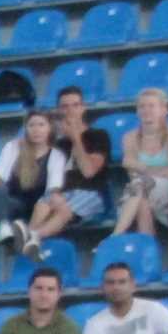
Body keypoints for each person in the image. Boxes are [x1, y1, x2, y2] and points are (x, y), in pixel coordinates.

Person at [0, 111, 65, 257]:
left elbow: (53, 189)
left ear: (50, 128)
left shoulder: (56, 156)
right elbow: (0, 175)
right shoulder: (13, 147)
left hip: (35, 208)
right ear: (26, 128)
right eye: (31, 125)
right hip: (10, 202)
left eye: (41, 125)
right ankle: (1, 225)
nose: (36, 130)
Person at [113, 88, 168, 239]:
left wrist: (141, 167)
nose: (146, 110)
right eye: (142, 106)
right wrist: (156, 171)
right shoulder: (129, 138)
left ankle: (115, 236)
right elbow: (132, 175)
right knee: (142, 202)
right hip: (140, 191)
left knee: (139, 188)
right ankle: (148, 247)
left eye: (151, 106)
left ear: (164, 110)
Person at [43, 87, 114, 237]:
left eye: (75, 105)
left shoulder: (98, 136)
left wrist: (76, 138)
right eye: (65, 107)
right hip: (63, 196)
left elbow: (88, 171)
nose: (70, 111)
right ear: (59, 111)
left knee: (61, 210)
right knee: (40, 207)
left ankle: (33, 237)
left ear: (83, 108)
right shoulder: (57, 145)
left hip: (90, 195)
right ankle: (31, 239)